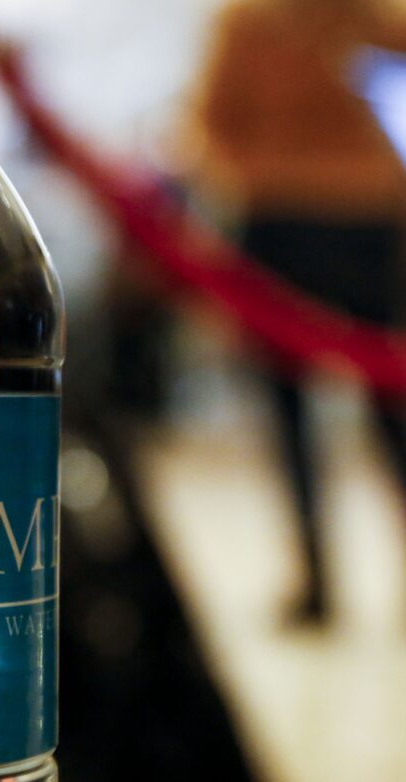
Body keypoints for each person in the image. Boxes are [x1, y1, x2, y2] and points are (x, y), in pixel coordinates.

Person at [192, 0, 406, 625]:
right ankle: (315, 579)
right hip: (332, 217)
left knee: (331, 407)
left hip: (305, 217)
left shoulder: (345, 18)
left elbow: (208, 127)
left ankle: (315, 586)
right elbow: (213, 125)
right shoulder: (259, 20)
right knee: (378, 407)